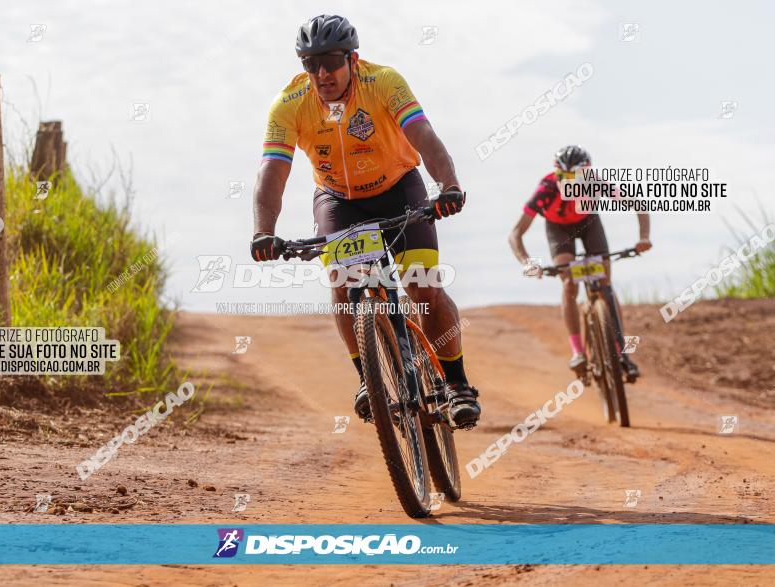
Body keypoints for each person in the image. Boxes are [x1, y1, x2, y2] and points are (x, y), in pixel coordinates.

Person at [250, 14, 480, 429]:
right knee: (344, 282)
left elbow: (423, 135)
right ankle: (366, 377)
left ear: (352, 59)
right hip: (339, 200)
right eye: (311, 63)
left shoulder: (385, 82)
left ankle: (458, 383)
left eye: (332, 61)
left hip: (399, 187)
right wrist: (263, 232)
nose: (322, 73)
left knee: (423, 284)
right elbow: (272, 172)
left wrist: (448, 185)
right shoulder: (288, 105)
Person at [507, 145, 652, 379]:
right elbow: (515, 234)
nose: (572, 183)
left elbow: (638, 203)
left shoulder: (596, 182)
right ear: (556, 175)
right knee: (569, 283)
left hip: (589, 222)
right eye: (565, 177)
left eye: (578, 177)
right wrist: (527, 262)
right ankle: (577, 351)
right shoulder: (546, 188)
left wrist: (644, 238)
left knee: (604, 285)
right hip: (558, 229)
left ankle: (619, 350)